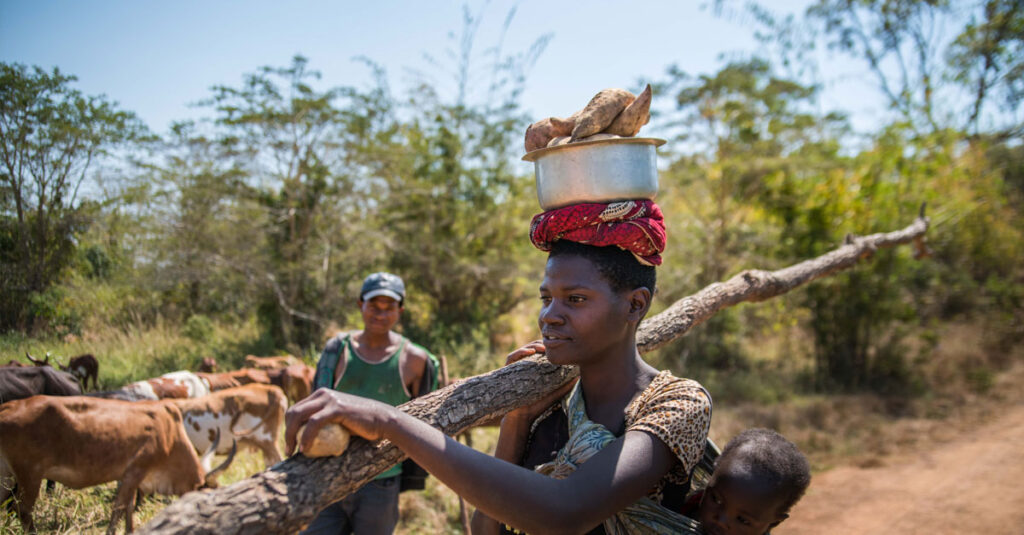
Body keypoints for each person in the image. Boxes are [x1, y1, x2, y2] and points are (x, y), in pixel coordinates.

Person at [287, 200, 715, 534]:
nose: (550, 315)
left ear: (635, 304)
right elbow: (487, 529)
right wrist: (518, 418)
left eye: (576, 299)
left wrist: (390, 422)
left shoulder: (677, 403)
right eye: (546, 298)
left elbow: (566, 513)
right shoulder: (547, 402)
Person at [301, 271, 438, 535]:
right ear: (360, 305)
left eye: (389, 307)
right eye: (374, 306)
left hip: (381, 482)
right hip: (329, 474)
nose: (381, 314)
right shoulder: (337, 351)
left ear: (400, 310)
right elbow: (315, 401)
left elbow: (423, 419)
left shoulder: (414, 360)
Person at [685, 428, 811, 535]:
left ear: (773, 523)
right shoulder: (679, 505)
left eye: (742, 520)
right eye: (716, 499)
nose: (721, 521)